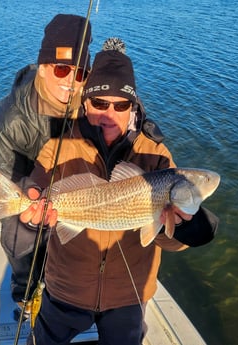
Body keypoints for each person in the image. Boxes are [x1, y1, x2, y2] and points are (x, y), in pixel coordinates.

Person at [23, 40, 219, 345]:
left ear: (133, 106)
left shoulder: (156, 155)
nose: (109, 114)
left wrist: (182, 226)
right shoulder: (60, 145)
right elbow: (37, 182)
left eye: (121, 105)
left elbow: (167, 242)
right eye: (100, 103)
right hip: (66, 288)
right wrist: (32, 199)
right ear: (85, 102)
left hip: (128, 293)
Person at [0, 14, 92, 309]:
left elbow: (123, 107)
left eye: (79, 73)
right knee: (19, 236)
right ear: (42, 68)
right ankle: (25, 292)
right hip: (21, 185)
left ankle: (72, 288)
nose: (70, 81)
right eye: (61, 69)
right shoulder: (6, 120)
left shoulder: (91, 104)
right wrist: (27, 207)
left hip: (74, 189)